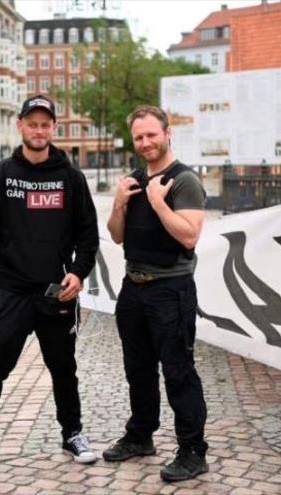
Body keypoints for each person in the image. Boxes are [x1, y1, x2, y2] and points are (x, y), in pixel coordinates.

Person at [0, 95, 100, 473]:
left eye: (45, 124)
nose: (39, 130)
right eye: (32, 123)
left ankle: (72, 433)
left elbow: (88, 235)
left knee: (63, 369)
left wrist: (78, 271)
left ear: (53, 128)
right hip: (10, 290)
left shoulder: (70, 178)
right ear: (20, 126)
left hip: (55, 291)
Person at [103, 105, 209, 482]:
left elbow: (190, 235)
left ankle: (193, 451)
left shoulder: (184, 181)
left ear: (167, 134)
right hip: (133, 288)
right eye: (138, 137)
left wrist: (158, 201)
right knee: (138, 370)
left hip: (171, 289)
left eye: (151, 134)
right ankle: (140, 436)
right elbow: (116, 235)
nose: (145, 142)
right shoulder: (132, 180)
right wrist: (119, 202)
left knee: (179, 372)